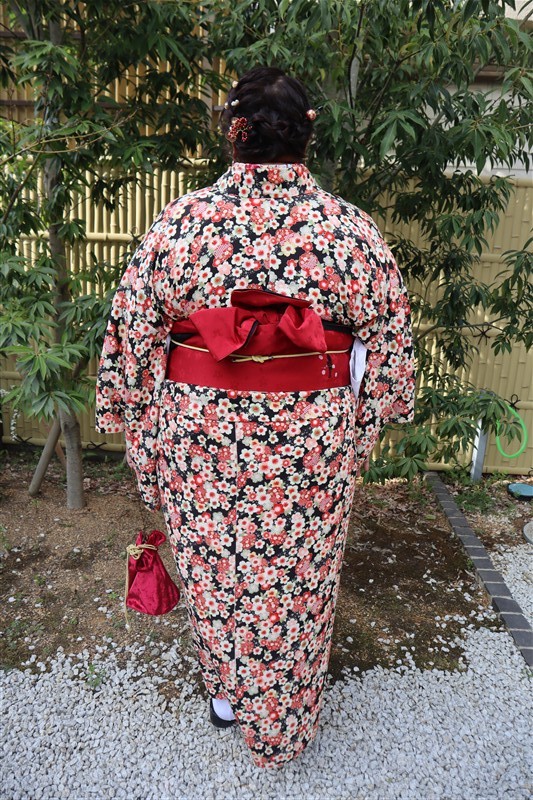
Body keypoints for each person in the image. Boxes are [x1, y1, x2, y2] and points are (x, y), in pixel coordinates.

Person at [95, 66, 416, 769]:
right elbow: (389, 354)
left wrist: (142, 437)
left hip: (201, 434)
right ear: (306, 135)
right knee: (301, 578)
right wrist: (358, 434)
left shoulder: (182, 223)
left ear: (231, 134)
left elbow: (131, 340)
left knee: (218, 571)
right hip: (310, 439)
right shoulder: (349, 230)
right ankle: (289, 719)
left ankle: (227, 696)